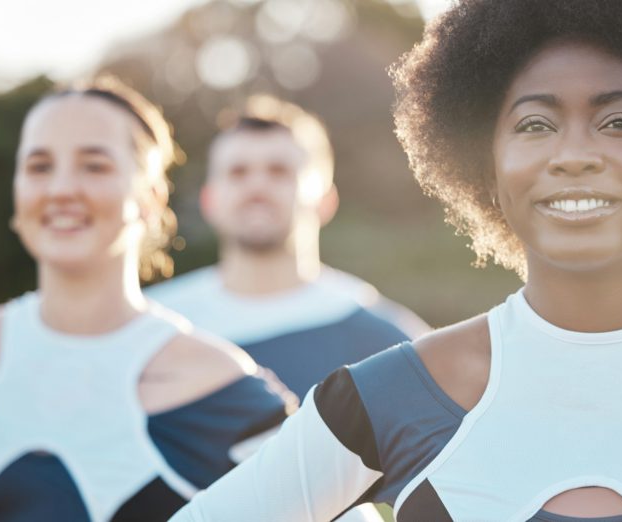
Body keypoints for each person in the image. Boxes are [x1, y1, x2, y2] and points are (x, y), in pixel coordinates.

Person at [170, 0, 622, 520]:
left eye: (620, 121)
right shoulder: (386, 397)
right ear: (487, 170)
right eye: (534, 125)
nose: (573, 154)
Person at [0, 77, 294, 521]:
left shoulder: (221, 387)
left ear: (150, 198)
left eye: (94, 166)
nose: (60, 190)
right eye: (39, 166)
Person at [146, 96, 428, 400]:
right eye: (238, 172)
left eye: (279, 171)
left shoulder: (387, 341)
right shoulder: (153, 326)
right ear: (209, 201)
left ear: (326, 200)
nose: (257, 187)